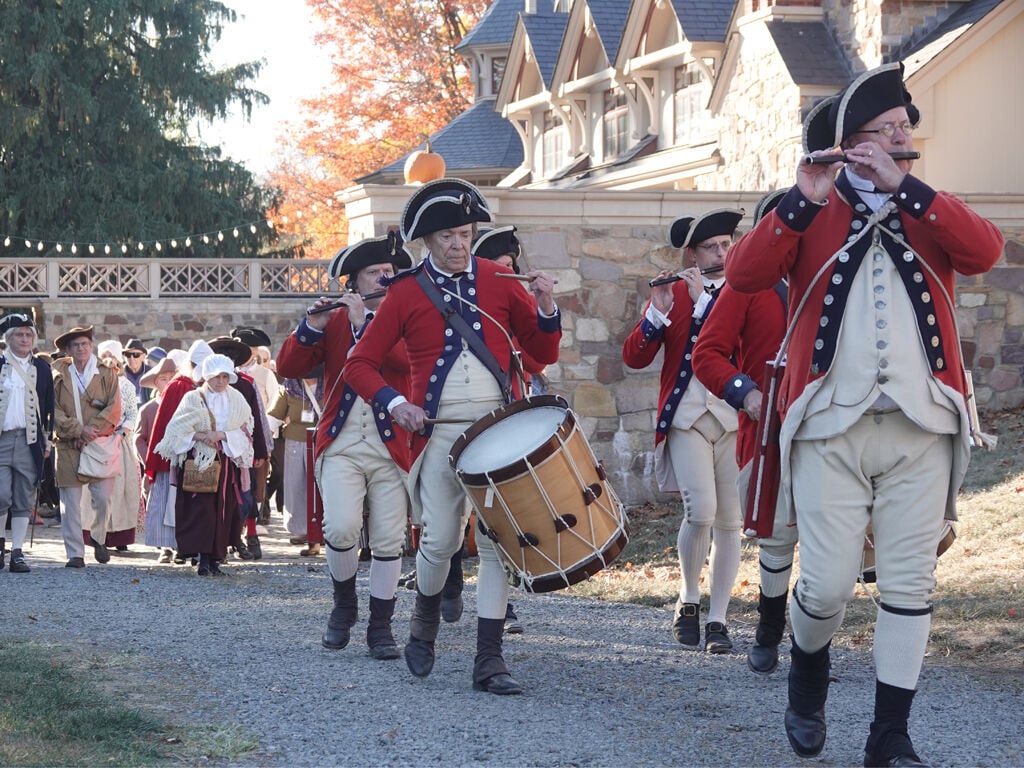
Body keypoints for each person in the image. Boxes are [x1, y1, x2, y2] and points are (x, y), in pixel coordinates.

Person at [725, 62, 1004, 766]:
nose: (905, 137)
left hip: (924, 425)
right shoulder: (811, 208)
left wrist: (907, 188)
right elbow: (744, 276)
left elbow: (985, 251)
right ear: (853, 143)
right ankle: (807, 675)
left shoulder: (928, 203)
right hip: (829, 426)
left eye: (906, 129)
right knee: (821, 587)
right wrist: (800, 198)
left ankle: (890, 735)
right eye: (889, 129)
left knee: (911, 582)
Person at [344, 178, 561, 694]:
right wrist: (398, 405)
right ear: (427, 241)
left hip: (498, 433)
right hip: (438, 437)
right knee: (440, 541)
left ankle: (490, 660)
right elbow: (360, 365)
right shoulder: (403, 294)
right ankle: (423, 626)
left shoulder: (500, 280)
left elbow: (542, 354)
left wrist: (547, 306)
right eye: (448, 236)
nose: (460, 244)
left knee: (495, 546)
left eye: (465, 233)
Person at [277, 232, 413, 659]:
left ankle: (381, 626)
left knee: (390, 540)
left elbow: (405, 364)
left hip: (393, 445)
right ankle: (343, 606)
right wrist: (311, 327)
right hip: (341, 441)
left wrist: (364, 326)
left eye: (391, 271)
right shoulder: (335, 319)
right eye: (376, 273)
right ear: (354, 283)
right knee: (340, 528)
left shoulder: (409, 316)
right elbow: (288, 367)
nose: (386, 278)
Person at [622, 208, 744, 654]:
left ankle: (719, 617)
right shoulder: (673, 291)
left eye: (727, 245)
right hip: (687, 417)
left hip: (733, 416)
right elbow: (634, 357)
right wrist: (658, 312)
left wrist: (707, 302)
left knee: (732, 519)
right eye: (712, 247)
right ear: (691, 254)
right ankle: (689, 598)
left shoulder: (745, 289)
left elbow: (744, 345)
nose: (722, 253)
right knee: (702, 511)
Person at [690, 190, 792, 672]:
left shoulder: (837, 279)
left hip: (833, 427)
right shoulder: (746, 284)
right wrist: (747, 393)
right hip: (768, 432)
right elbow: (706, 353)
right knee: (778, 540)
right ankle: (770, 630)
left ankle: (813, 647)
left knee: (830, 544)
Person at [155, 354, 255, 576]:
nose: (220, 381)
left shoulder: (237, 398)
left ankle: (215, 558)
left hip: (226, 463)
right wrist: (200, 436)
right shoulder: (192, 398)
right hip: (197, 461)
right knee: (201, 511)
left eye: (224, 376)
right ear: (206, 377)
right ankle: (202, 558)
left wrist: (221, 434)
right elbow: (176, 428)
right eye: (215, 376)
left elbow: (246, 429)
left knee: (223, 510)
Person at [51, 326, 122, 567]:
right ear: (68, 351)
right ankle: (75, 554)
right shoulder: (58, 375)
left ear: (91, 346)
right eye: (75, 345)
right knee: (70, 504)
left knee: (103, 498)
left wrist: (90, 431)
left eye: (85, 344)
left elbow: (114, 408)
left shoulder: (107, 373)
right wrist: (77, 430)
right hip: (68, 444)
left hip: (99, 443)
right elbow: (54, 410)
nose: (81, 348)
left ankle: (98, 536)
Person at [144, 340, 214, 565]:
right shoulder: (177, 386)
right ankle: (172, 546)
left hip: (204, 456)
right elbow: (165, 425)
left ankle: (196, 547)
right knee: (172, 501)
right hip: (177, 457)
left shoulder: (211, 386)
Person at [208, 335, 272, 560]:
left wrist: (261, 451)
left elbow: (258, 417)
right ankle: (219, 542)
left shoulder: (246, 383)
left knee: (246, 493)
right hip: (212, 449)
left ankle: (250, 536)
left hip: (242, 448)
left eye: (231, 357)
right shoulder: (205, 386)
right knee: (215, 496)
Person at [0, 313, 54, 573]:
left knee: (24, 497)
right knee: (0, 495)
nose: (24, 339)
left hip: (29, 440)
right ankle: (0, 546)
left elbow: (48, 408)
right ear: (9, 339)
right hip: (2, 439)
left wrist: (46, 441)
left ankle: (18, 553)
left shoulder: (42, 368)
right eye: (19, 335)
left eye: (28, 334)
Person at [93, 339, 142, 551]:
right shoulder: (93, 383)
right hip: (97, 441)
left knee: (120, 490)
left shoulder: (126, 385)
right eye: (104, 356)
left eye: (111, 356)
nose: (108, 360)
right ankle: (98, 535)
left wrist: (121, 432)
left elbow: (132, 414)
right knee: (99, 491)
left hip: (119, 443)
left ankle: (119, 537)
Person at [266, 373, 323, 551]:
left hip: (323, 442)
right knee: (296, 485)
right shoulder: (289, 388)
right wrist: (265, 443)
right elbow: (274, 417)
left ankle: (324, 530)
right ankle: (302, 529)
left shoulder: (330, 383)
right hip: (295, 443)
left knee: (323, 487)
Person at [137, 352, 182, 563]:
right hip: (159, 466)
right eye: (163, 378)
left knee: (180, 505)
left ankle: (183, 545)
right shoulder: (148, 409)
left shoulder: (186, 406)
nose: (168, 382)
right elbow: (140, 438)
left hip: (181, 465)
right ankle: (164, 546)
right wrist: (150, 460)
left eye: (172, 377)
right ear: (155, 383)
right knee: (161, 505)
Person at [122, 338, 152, 405]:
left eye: (136, 355)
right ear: (124, 357)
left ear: (143, 356)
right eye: (128, 355)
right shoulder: (118, 374)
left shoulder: (151, 373)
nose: (131, 358)